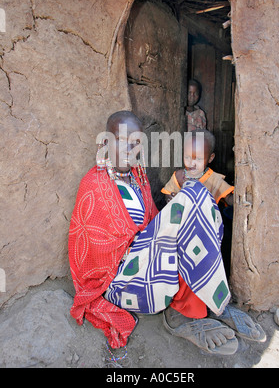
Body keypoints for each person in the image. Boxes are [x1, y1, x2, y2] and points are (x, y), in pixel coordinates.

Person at [68, 111, 265, 359]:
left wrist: (171, 225)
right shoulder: (94, 187)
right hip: (125, 286)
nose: (129, 150)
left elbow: (150, 223)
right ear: (105, 142)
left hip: (149, 263)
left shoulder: (137, 175)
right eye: (121, 140)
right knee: (191, 197)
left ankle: (212, 301)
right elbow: (94, 265)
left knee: (198, 194)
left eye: (136, 142)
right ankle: (182, 314)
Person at [161, 129, 234, 207]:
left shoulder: (214, 180)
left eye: (199, 159)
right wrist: (171, 198)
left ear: (210, 158)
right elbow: (168, 193)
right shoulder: (179, 177)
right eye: (187, 157)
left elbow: (229, 199)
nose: (192, 164)